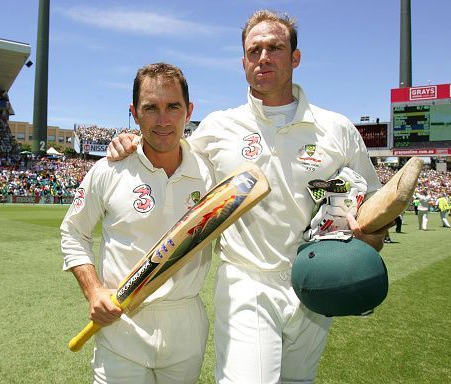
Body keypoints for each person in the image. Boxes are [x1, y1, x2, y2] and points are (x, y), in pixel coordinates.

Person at [106, 10, 387, 383]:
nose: (263, 58)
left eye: (275, 48)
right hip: (246, 281)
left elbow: (372, 202)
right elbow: (167, 148)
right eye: (254, 51)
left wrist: (371, 235)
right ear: (243, 62)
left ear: (295, 58)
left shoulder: (337, 129)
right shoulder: (219, 127)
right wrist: (131, 141)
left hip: (314, 278)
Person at [61, 63, 215, 384]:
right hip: (122, 327)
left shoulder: (211, 172)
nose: (163, 119)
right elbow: (73, 232)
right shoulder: (108, 169)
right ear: (134, 112)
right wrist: (93, 291)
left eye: (173, 106)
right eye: (150, 108)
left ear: (189, 110)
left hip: (186, 325)